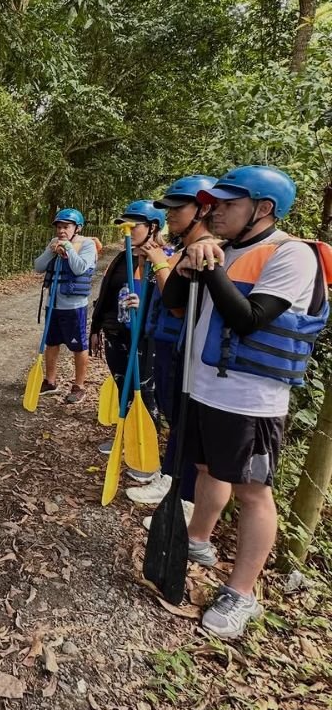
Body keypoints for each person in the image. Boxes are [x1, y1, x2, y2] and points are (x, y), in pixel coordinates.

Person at [162, 165, 328, 639]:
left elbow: (249, 319)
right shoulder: (222, 249)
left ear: (263, 209)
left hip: (250, 400)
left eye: (227, 205)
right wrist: (187, 260)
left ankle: (243, 593)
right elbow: (175, 298)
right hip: (204, 389)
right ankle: (197, 540)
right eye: (212, 204)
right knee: (206, 469)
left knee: (253, 492)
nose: (214, 213)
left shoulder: (292, 256)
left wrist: (209, 264)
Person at [127, 176, 217, 509]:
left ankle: (185, 498)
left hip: (186, 349)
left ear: (203, 208)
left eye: (179, 208)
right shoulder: (181, 249)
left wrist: (159, 262)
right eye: (169, 208)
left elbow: (178, 305)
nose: (171, 215)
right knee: (175, 417)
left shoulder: (205, 250)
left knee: (184, 421)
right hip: (165, 341)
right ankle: (170, 479)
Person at [90, 200, 165, 462]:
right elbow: (107, 293)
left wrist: (144, 303)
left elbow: (170, 302)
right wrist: (97, 327)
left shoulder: (163, 259)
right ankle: (123, 435)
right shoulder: (123, 257)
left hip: (145, 339)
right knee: (123, 386)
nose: (128, 230)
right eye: (125, 225)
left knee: (144, 392)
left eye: (135, 226)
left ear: (153, 227)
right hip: (116, 334)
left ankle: (145, 445)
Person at [33, 208, 96, 403]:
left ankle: (79, 386)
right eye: (59, 227)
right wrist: (51, 251)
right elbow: (38, 266)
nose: (61, 231)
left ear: (77, 228)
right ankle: (50, 381)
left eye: (66, 227)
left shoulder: (87, 245)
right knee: (51, 343)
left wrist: (68, 248)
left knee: (78, 346)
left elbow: (79, 268)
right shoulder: (53, 244)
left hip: (75, 306)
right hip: (54, 304)